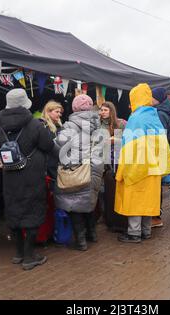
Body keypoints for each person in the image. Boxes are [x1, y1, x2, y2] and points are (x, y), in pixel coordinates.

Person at [0, 89, 55, 271]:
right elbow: (48, 145)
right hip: (31, 174)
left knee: (14, 209)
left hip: (10, 173)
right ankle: (30, 256)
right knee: (32, 210)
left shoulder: (2, 125)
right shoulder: (34, 124)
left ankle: (19, 253)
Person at [115, 83, 170, 243]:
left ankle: (134, 233)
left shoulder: (136, 117)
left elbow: (129, 145)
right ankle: (146, 231)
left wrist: (123, 168)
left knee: (135, 198)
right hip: (153, 168)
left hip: (138, 167)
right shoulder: (154, 115)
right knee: (149, 199)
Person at [54, 94, 105, 251]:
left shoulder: (70, 126)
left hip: (77, 170)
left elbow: (61, 148)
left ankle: (81, 241)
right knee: (89, 202)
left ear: (74, 108)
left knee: (75, 205)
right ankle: (92, 235)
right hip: (94, 170)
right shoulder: (98, 125)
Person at [152, 87, 170, 228]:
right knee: (158, 183)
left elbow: (158, 136)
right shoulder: (164, 111)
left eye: (152, 97)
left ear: (158, 98)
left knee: (156, 184)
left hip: (158, 151)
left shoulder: (160, 114)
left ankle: (156, 215)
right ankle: (156, 213)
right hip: (162, 150)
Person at [40, 100, 64, 186]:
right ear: (48, 112)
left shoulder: (59, 127)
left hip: (57, 164)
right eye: (57, 112)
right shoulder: (42, 126)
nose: (59, 114)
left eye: (60, 112)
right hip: (47, 167)